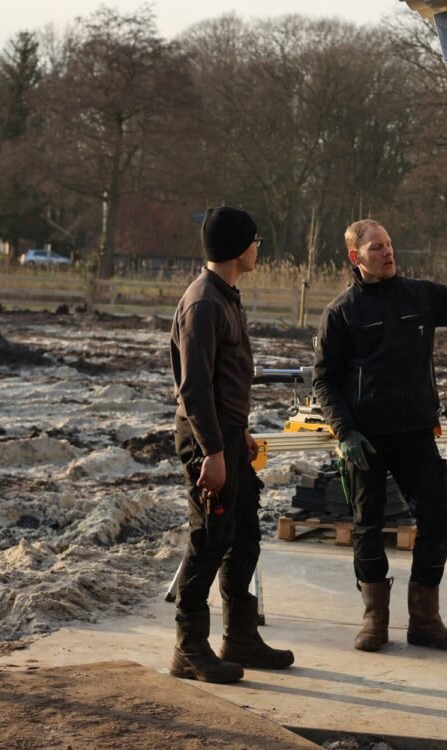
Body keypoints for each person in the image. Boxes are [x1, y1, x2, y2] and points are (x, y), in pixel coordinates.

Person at [313, 219, 447, 653]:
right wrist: (345, 431)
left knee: (434, 519)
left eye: (389, 244)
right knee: (367, 527)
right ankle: (374, 621)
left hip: (415, 434)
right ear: (356, 257)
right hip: (367, 440)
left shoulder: (421, 295)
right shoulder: (342, 312)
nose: (387, 252)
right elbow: (324, 381)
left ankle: (425, 622)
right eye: (376, 248)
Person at [169, 206, 294, 684]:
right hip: (206, 439)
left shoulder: (226, 296)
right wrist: (215, 453)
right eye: (256, 241)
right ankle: (189, 649)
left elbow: (226, 377)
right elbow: (195, 388)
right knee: (209, 541)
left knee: (243, 534)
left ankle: (240, 636)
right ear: (240, 248)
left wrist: (239, 431)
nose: (259, 248)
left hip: (227, 432)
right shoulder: (202, 303)